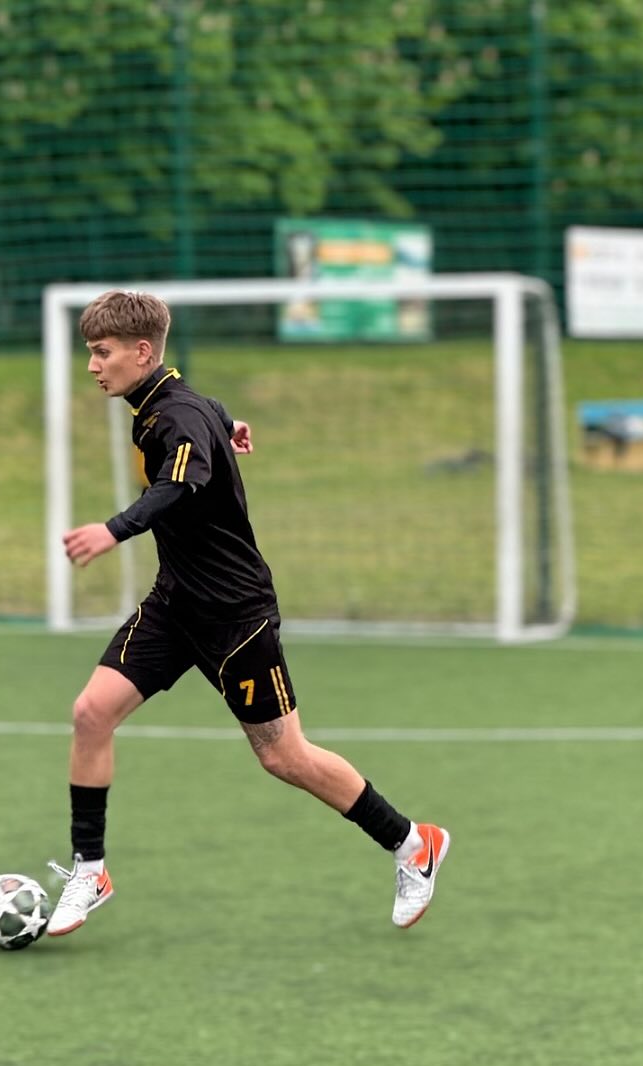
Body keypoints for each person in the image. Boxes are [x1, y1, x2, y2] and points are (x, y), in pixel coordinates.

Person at [46, 291, 449, 937]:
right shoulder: (171, 402)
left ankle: (412, 844)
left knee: (284, 757)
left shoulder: (174, 415)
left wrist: (113, 530)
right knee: (92, 713)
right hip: (175, 604)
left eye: (102, 352)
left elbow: (179, 483)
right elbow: (201, 417)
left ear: (142, 351)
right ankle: (90, 870)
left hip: (236, 618)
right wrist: (227, 423)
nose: (92, 365)